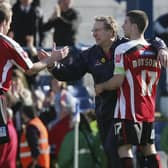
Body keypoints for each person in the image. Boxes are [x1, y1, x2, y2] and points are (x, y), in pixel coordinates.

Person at [38, 14, 168, 167]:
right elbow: (69, 73)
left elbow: (150, 40)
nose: (93, 34)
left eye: (98, 30)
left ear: (111, 32)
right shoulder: (90, 54)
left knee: (120, 151)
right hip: (104, 112)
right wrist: (52, 64)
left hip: (124, 111)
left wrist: (162, 47)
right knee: (112, 153)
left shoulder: (126, 46)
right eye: (93, 30)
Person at [95, 10, 162, 168]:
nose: (123, 26)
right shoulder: (156, 51)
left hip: (128, 112)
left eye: (125, 23)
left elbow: (118, 81)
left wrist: (102, 86)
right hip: (149, 111)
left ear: (133, 26)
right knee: (149, 149)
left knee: (124, 149)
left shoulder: (123, 49)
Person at [0, 2, 68, 144]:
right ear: (5, 21)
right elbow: (30, 69)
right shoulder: (8, 44)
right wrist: (51, 58)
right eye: (10, 22)